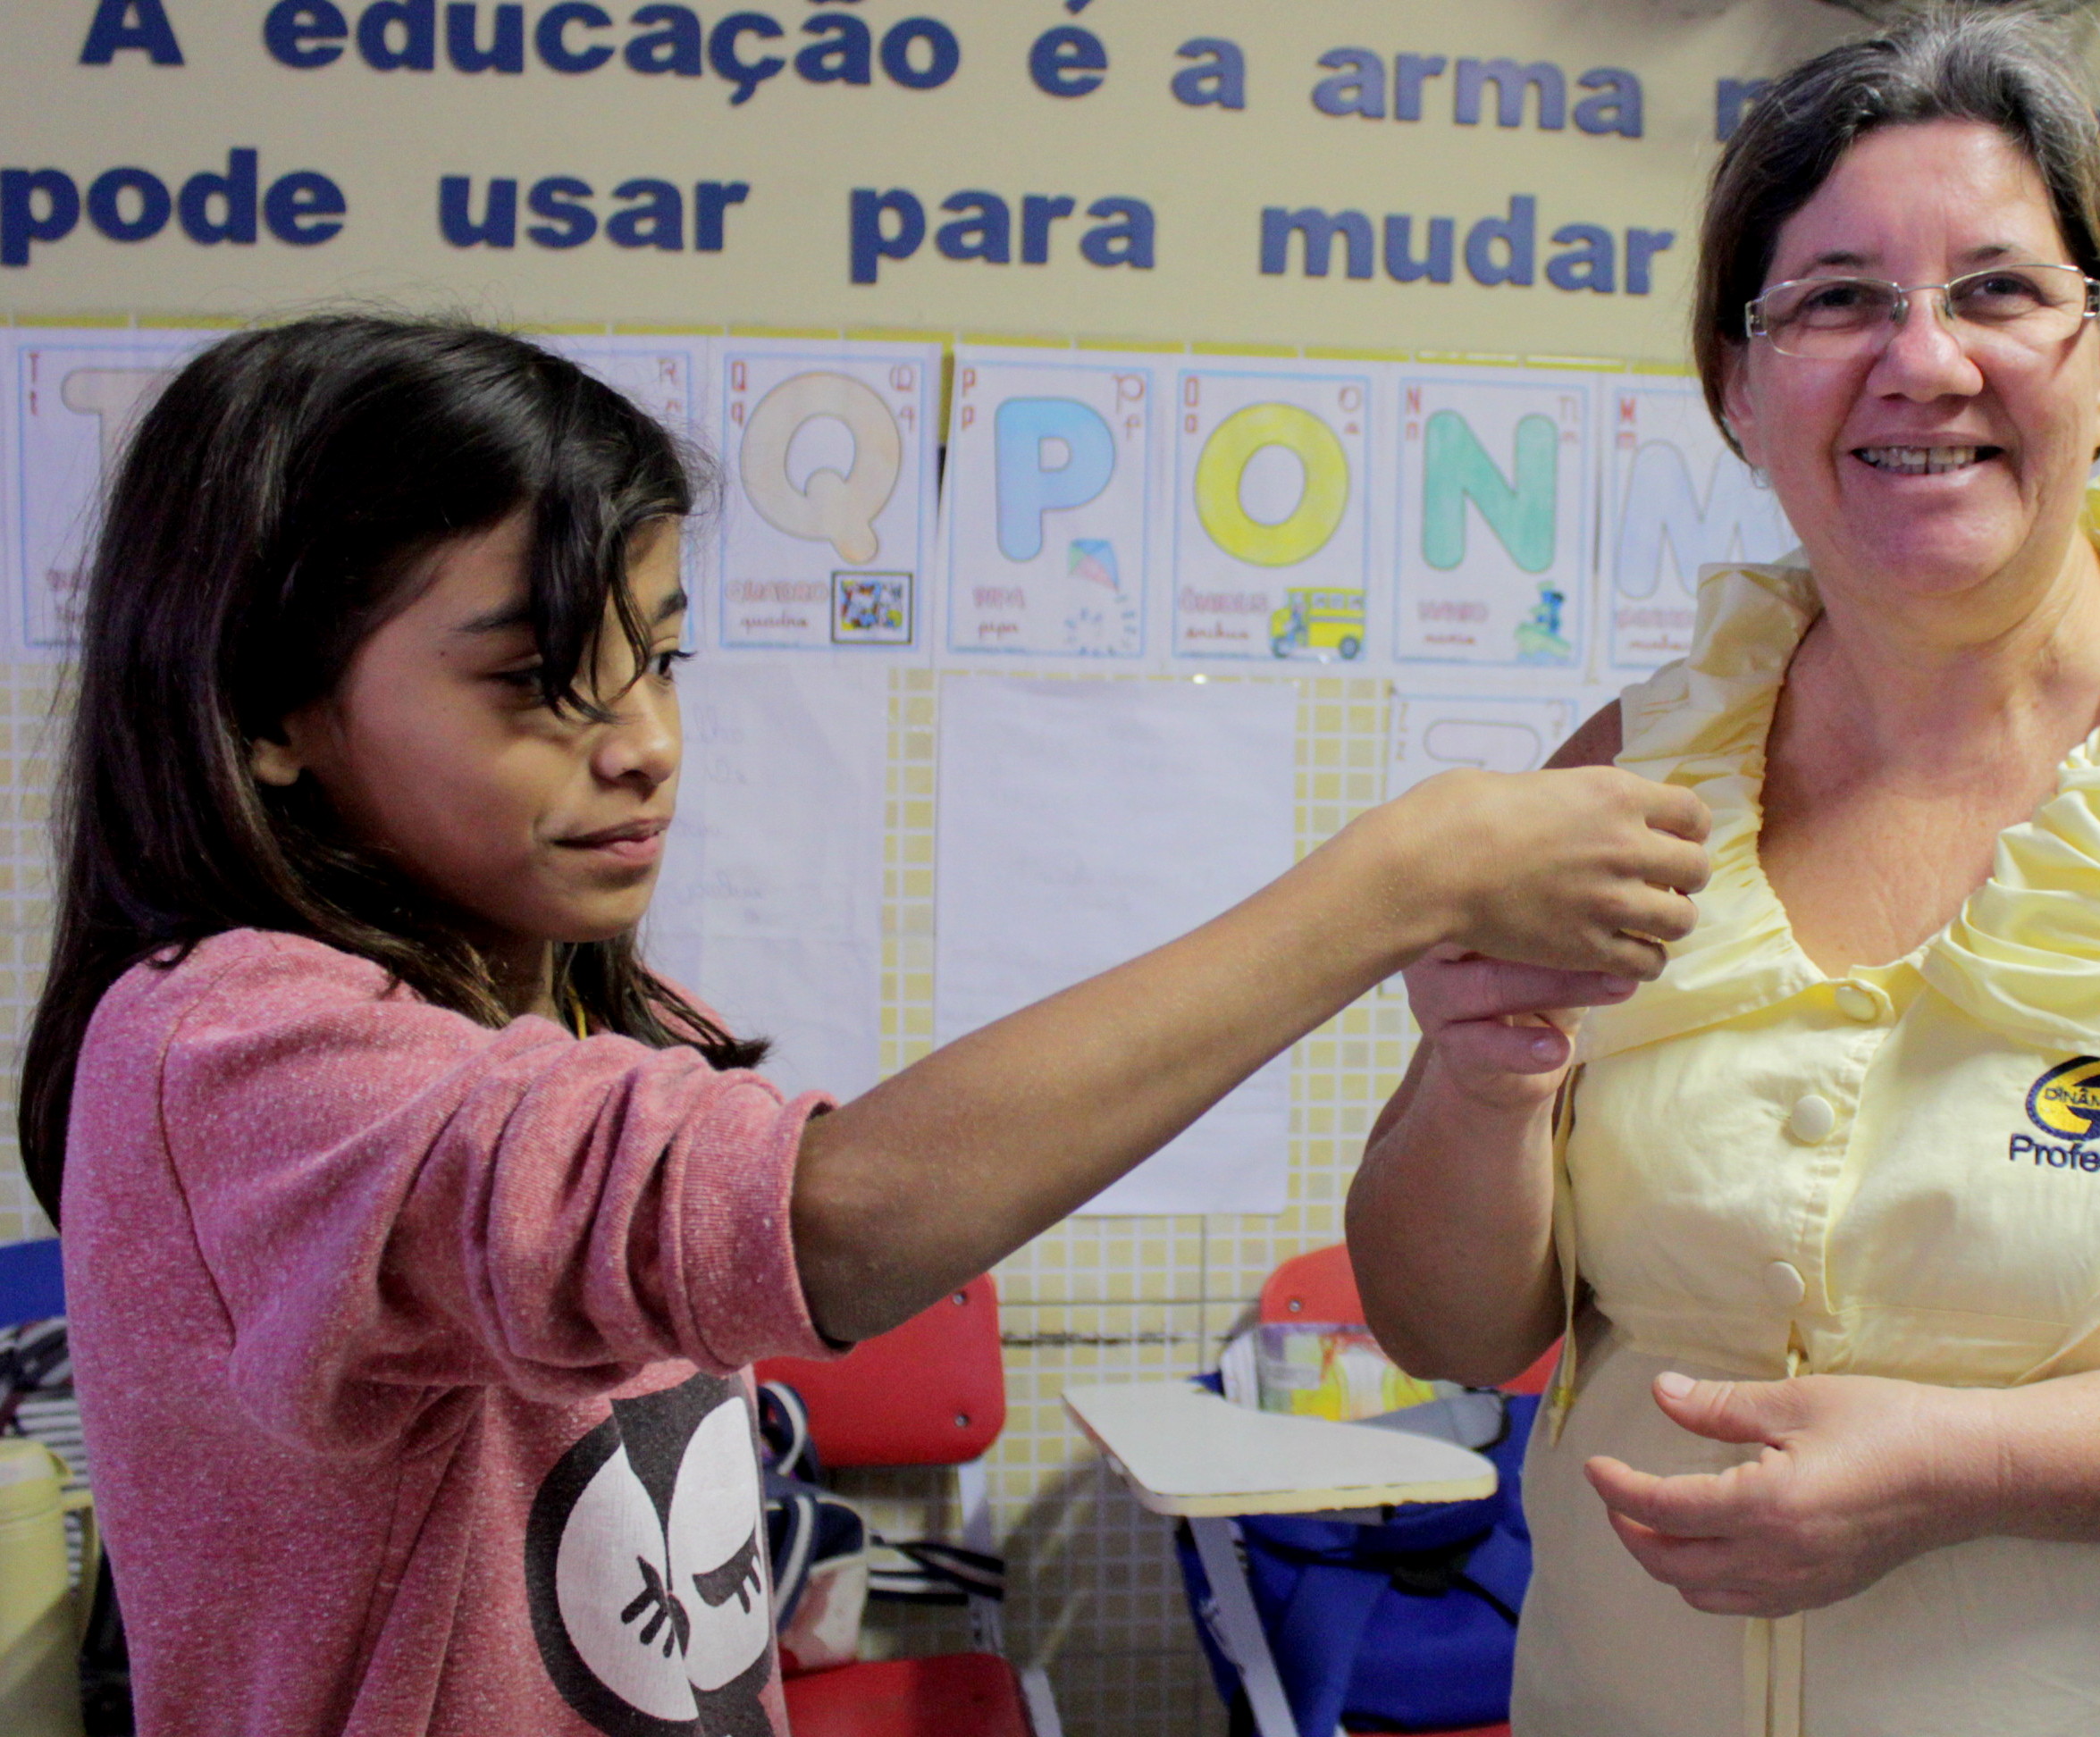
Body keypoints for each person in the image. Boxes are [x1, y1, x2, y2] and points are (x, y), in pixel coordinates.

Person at [19, 315, 1712, 1737]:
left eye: (660, 659)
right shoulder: (230, 1046)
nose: (644, 741)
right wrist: (1393, 880)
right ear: (270, 715)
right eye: (536, 681)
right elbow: (833, 1222)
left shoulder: (584, 1010)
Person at [1345, 10, 2100, 1735]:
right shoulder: (1631, 771)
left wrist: (1978, 1465)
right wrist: (1482, 1091)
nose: (1921, 360)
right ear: (1736, 384)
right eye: (1835, 299)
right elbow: (1452, 1332)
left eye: (1997, 291)